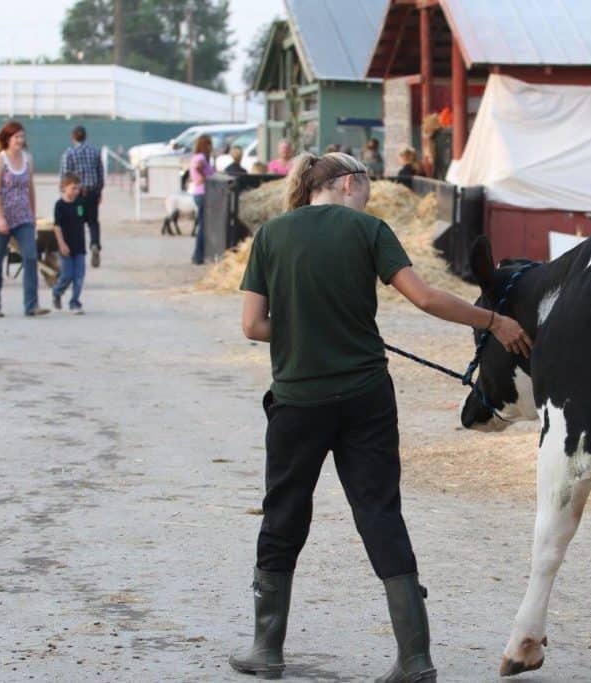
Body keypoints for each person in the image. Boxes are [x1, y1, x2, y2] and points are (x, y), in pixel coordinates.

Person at [230, 152, 531, 682]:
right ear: (349, 183)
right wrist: (495, 321)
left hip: (298, 401)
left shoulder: (271, 236)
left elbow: (253, 325)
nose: (369, 195)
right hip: (366, 397)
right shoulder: (369, 229)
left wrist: (305, 328)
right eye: (368, 185)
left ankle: (266, 649)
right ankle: (415, 658)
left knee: (283, 514)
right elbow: (426, 298)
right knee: (380, 513)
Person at [0, 121, 49, 317]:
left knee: (30, 257)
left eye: (22, 137)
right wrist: (0, 218)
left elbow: (30, 188)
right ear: (7, 139)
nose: (20, 141)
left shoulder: (28, 160)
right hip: (0, 217)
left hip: (23, 217)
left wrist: (32, 214)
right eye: (16, 137)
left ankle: (31, 305)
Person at [60, 125, 104, 268]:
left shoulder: (69, 153)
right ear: (86, 136)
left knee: (77, 222)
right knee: (93, 222)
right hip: (92, 194)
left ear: (73, 137)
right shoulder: (95, 152)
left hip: (76, 196)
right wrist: (99, 192)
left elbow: (66, 176)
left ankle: (78, 252)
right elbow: (100, 174)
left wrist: (64, 193)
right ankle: (95, 244)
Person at [51, 173, 88, 314]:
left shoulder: (80, 203)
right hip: (66, 246)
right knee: (67, 275)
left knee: (79, 275)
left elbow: (83, 218)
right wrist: (62, 244)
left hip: (79, 246)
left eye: (78, 189)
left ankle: (75, 302)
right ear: (64, 188)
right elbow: (57, 226)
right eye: (73, 188)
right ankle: (57, 291)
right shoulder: (59, 205)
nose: (76, 192)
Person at [189, 134, 215, 265]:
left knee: (202, 225)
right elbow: (198, 168)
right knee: (204, 227)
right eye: (210, 144)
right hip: (203, 193)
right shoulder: (201, 158)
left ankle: (199, 254)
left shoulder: (196, 157)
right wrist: (205, 177)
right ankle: (198, 255)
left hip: (198, 193)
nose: (212, 147)